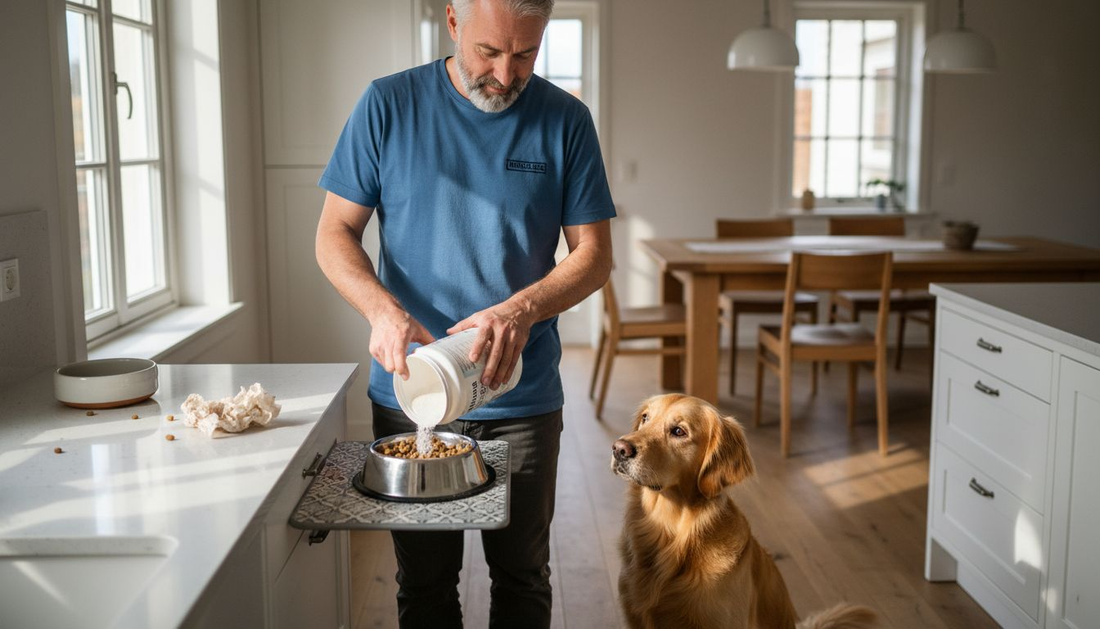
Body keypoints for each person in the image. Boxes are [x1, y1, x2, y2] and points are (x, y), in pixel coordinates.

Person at [314, 0, 615, 626]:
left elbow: (594, 256)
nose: (506, 75)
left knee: (523, 577)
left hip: (522, 395)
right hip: (412, 390)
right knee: (424, 584)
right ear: (453, 23)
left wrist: (522, 308)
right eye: (489, 51)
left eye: (525, 53)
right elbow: (334, 232)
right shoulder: (388, 105)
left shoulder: (566, 120)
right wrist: (382, 310)